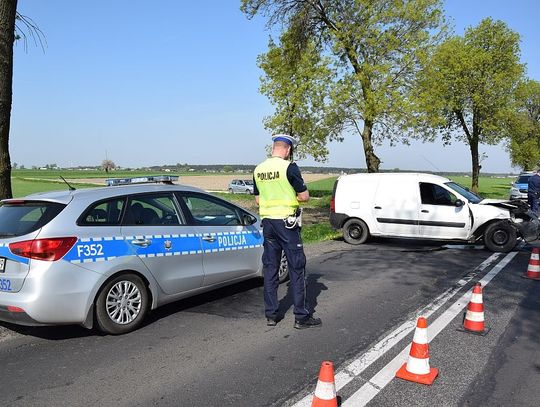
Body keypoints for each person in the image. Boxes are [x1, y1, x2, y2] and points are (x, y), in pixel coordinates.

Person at [253, 134, 322, 329]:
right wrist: (292, 197)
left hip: (268, 224)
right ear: (288, 149)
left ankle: (271, 315)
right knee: (297, 268)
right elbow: (305, 196)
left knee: (271, 269)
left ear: (273, 147)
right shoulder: (289, 167)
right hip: (287, 224)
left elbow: (258, 200)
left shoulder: (259, 169)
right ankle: (301, 316)